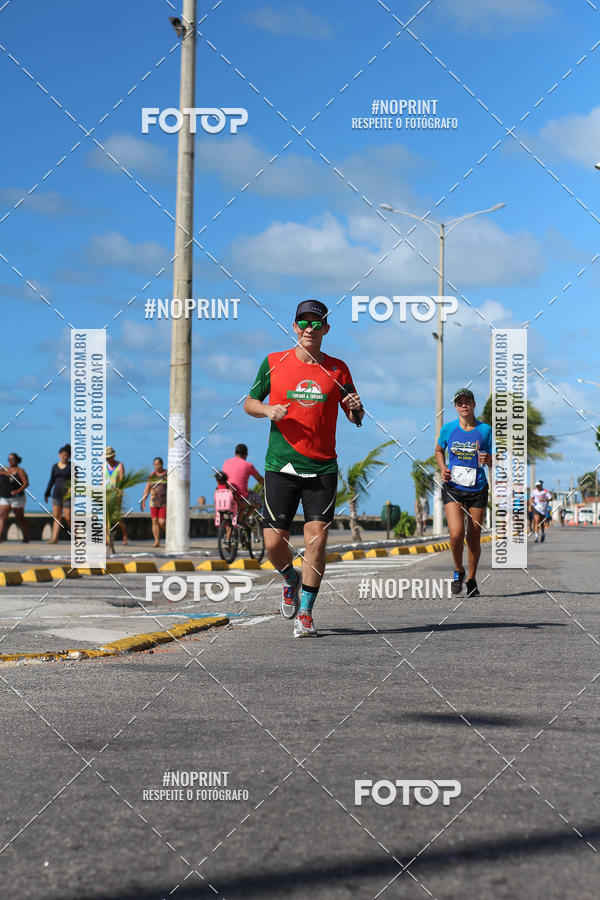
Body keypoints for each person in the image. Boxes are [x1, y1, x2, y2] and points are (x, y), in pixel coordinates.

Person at [244, 298, 364, 638]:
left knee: (316, 540)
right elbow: (249, 403)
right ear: (295, 327)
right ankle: (289, 578)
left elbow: (355, 415)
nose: (309, 328)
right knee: (272, 543)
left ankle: (307, 613)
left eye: (316, 323)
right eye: (304, 322)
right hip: (279, 465)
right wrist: (267, 411)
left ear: (326, 328)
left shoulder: (338, 369)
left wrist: (356, 408)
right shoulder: (273, 362)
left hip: (322, 468)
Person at [435, 388, 492, 598]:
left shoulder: (485, 430)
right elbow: (439, 450)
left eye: (468, 401)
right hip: (454, 488)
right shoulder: (449, 428)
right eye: (460, 402)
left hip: (477, 488)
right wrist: (443, 468)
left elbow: (495, 458)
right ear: (456, 407)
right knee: (456, 533)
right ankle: (458, 570)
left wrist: (489, 460)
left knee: (473, 537)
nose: (464, 405)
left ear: (474, 404)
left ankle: (472, 579)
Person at [221, 444, 264, 527]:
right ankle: (245, 518)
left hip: (229, 495)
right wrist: (267, 485)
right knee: (258, 501)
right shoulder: (248, 465)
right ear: (246, 454)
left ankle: (227, 538)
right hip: (242, 497)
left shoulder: (226, 462)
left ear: (235, 453)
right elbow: (260, 479)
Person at [44, 444, 72, 543]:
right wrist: (47, 493)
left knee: (68, 517)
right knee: (57, 516)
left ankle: (77, 537)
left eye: (66, 455)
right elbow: (51, 480)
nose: (65, 457)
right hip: (56, 494)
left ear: (69, 456)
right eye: (63, 455)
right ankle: (54, 538)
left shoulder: (72, 466)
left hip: (68, 495)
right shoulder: (55, 466)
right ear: (59, 455)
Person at [0, 452, 30, 542]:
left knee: (20, 517)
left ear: (17, 460)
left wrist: (17, 491)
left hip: (17, 498)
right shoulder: (4, 469)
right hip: (5, 497)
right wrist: (5, 473)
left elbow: (26, 483)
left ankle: (26, 537)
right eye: (9, 459)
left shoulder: (20, 471)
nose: (10, 461)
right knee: (2, 516)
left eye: (12, 459)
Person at [140, 457, 167, 547]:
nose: (157, 466)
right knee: (154, 521)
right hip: (153, 502)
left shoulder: (167, 474)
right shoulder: (152, 476)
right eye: (155, 464)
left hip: (164, 502)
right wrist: (143, 501)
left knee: (162, 522)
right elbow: (147, 489)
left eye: (158, 464)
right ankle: (157, 541)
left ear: (162, 464)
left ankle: (169, 535)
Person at [105, 446, 128, 545]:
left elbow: (123, 480)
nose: (108, 459)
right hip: (106, 494)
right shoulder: (103, 466)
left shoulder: (119, 465)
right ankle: (106, 538)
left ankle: (125, 534)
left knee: (116, 517)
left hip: (117, 494)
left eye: (109, 457)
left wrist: (120, 492)